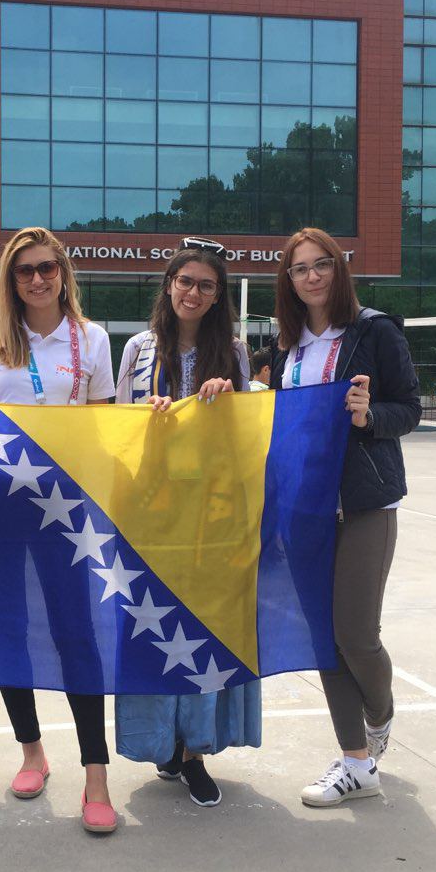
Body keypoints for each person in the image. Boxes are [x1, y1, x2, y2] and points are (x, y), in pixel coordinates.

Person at [0, 226, 119, 834]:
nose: (36, 279)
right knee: (7, 623)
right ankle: (31, 751)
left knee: (74, 630)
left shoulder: (93, 339)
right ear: (11, 279)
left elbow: (105, 427)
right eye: (24, 270)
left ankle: (96, 774)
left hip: (65, 506)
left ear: (63, 273)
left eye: (46, 268)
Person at [268, 227, 421, 808]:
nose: (311, 276)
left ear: (339, 268)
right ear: (289, 280)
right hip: (304, 508)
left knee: (355, 636)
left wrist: (368, 416)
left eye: (321, 264)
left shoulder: (373, 330)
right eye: (299, 268)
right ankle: (357, 763)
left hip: (363, 504)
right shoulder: (287, 347)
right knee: (324, 639)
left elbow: (410, 408)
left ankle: (379, 713)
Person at [114, 238, 262, 808]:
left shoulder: (235, 353)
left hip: (210, 513)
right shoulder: (139, 349)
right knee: (156, 624)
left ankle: (196, 750)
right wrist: (144, 416)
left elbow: (244, 435)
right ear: (169, 286)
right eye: (185, 282)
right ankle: (162, 744)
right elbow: (117, 426)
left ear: (218, 295)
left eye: (205, 285)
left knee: (200, 626)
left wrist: (228, 399)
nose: (193, 293)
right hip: (151, 508)